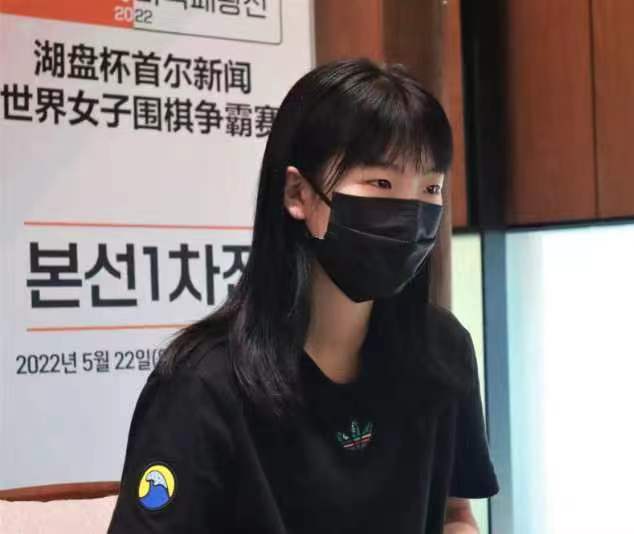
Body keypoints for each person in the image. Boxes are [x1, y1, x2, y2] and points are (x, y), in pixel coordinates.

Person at [106, 57, 499, 534]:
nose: (410, 212)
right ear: (298, 193)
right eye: (381, 183)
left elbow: (454, 515)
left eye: (430, 188)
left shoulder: (442, 350)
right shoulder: (203, 384)